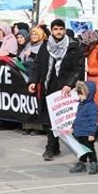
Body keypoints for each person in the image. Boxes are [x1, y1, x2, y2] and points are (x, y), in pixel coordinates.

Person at [29, 19, 85, 162]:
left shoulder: (73, 46)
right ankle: (52, 146)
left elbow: (78, 68)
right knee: (49, 119)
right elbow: (37, 65)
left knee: (63, 119)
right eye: (55, 29)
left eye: (61, 29)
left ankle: (62, 147)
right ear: (52, 30)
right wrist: (33, 81)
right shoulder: (45, 46)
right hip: (49, 85)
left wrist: (70, 84)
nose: (58, 32)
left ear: (65, 30)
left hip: (65, 88)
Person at [68, 81, 98, 175]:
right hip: (80, 132)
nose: (79, 96)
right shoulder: (81, 104)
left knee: (90, 149)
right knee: (81, 150)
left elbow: (93, 121)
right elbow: (77, 117)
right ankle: (82, 163)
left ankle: (94, 163)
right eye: (79, 94)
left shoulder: (92, 107)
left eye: (81, 94)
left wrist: (91, 133)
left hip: (87, 133)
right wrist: (73, 127)